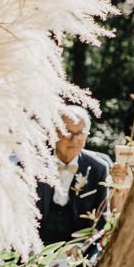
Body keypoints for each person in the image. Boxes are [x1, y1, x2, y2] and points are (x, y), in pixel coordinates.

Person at [35, 107, 110, 253]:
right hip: (38, 244)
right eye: (67, 132)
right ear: (54, 133)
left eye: (80, 133)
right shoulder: (33, 164)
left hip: (79, 247)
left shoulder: (98, 168)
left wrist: (80, 247)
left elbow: (100, 220)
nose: (74, 140)